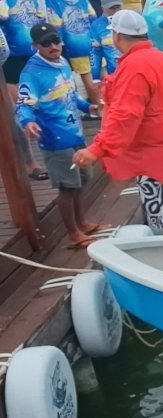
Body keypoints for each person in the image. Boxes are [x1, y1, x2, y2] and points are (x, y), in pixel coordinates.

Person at [73, 10, 163, 282]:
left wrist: (96, 150)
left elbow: (125, 117)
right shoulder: (161, 58)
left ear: (117, 36)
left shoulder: (134, 67)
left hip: (157, 154)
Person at [16, 22, 106, 247]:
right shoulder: (31, 73)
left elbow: (71, 95)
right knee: (67, 186)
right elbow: (23, 105)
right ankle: (74, 234)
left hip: (75, 134)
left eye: (56, 40)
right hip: (55, 140)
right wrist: (28, 123)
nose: (53, 46)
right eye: (46, 43)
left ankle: (82, 223)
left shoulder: (63, 63)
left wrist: (89, 107)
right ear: (36, 46)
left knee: (81, 180)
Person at [2, 0, 48, 179]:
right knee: (19, 113)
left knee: (43, 107)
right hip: (10, 60)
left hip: (34, 57)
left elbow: (43, 23)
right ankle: (30, 164)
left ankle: (54, 156)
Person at [47, 0, 101, 106]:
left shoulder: (53, 2)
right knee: (99, 74)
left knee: (79, 77)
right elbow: (93, 16)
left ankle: (97, 108)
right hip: (91, 40)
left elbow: (55, 25)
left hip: (72, 44)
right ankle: (104, 105)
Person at [89, 0, 119, 81]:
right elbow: (95, 54)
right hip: (115, 76)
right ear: (103, 8)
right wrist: (95, 78)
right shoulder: (96, 26)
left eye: (118, 7)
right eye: (112, 8)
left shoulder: (131, 20)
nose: (116, 11)